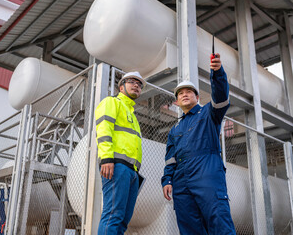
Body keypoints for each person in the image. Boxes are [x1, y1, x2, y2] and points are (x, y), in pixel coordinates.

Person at [161, 53, 236, 234]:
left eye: (189, 92)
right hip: (181, 181)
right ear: (176, 102)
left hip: (206, 172)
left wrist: (217, 74)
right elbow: (170, 159)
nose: (184, 95)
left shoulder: (209, 114)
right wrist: (167, 180)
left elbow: (220, 97)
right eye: (180, 93)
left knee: (218, 219)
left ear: (197, 97)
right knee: (188, 226)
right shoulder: (175, 130)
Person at [95, 71, 146, 234]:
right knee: (113, 215)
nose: (137, 85)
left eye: (140, 84)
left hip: (132, 171)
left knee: (123, 219)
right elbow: (104, 129)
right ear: (121, 86)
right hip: (116, 166)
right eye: (132, 81)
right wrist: (106, 158)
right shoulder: (112, 102)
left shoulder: (132, 114)